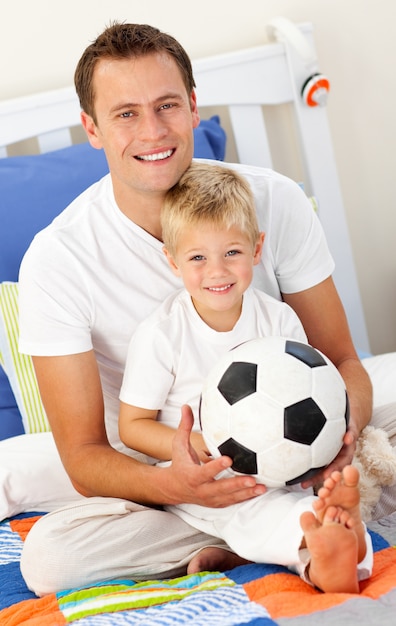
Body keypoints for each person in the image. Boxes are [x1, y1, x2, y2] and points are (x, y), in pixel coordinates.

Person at [17, 22, 391, 596]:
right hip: (161, 478)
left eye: (167, 105)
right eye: (125, 114)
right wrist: (182, 485)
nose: (153, 131)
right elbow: (85, 456)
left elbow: (341, 361)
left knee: (378, 437)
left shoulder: (274, 202)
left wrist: (336, 435)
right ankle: (260, 533)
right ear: (92, 128)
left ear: (194, 106)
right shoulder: (59, 259)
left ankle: (285, 524)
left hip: (296, 449)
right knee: (49, 559)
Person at [118, 161, 373, 593]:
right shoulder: (161, 334)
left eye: (231, 253)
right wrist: (201, 446)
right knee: (259, 512)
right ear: (172, 260)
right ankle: (321, 548)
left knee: (332, 480)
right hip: (204, 477)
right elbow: (132, 426)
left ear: (256, 249)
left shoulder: (279, 320)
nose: (217, 271)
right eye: (198, 257)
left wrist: (331, 440)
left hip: (286, 463)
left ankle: (328, 529)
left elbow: (320, 391)